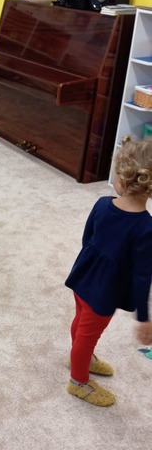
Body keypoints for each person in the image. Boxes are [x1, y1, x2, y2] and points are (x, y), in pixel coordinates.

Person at [65, 136, 152, 407]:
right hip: (104, 290)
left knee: (80, 321)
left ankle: (79, 357)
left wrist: (87, 266)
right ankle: (78, 381)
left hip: (84, 275)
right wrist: (144, 317)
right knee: (88, 333)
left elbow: (87, 238)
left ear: (122, 180)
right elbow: (142, 277)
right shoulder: (146, 227)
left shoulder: (102, 203)